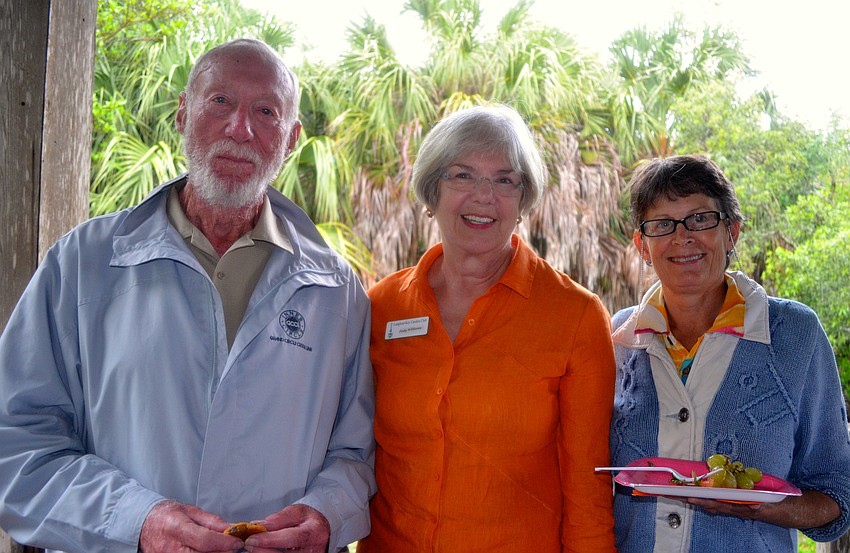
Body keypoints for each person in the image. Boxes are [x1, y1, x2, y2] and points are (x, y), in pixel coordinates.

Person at [0, 38, 375, 553]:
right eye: (220, 101)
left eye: (266, 112)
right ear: (182, 113)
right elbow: (17, 441)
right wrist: (136, 521)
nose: (240, 129)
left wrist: (327, 514)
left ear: (290, 140)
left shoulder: (338, 290)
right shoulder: (81, 264)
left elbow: (355, 453)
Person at [355, 104, 617, 553]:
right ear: (432, 190)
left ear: (523, 200)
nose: (484, 196)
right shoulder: (380, 306)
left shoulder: (576, 316)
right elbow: (350, 452)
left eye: (504, 180)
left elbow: (587, 493)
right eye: (462, 175)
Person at [609, 154, 850, 552]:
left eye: (700, 219)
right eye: (662, 224)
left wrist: (764, 508)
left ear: (732, 232)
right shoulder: (619, 338)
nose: (682, 236)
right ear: (642, 245)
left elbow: (837, 494)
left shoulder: (793, 335)